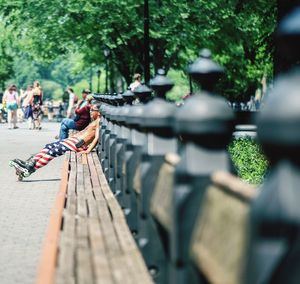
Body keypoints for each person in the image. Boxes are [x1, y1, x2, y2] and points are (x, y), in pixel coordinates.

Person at [9, 104, 101, 178]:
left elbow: (97, 137)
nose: (90, 112)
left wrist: (88, 150)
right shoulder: (95, 120)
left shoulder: (99, 122)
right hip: (74, 141)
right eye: (90, 110)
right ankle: (29, 163)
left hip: (77, 144)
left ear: (99, 112)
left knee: (52, 152)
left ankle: (31, 169)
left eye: (92, 110)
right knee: (49, 146)